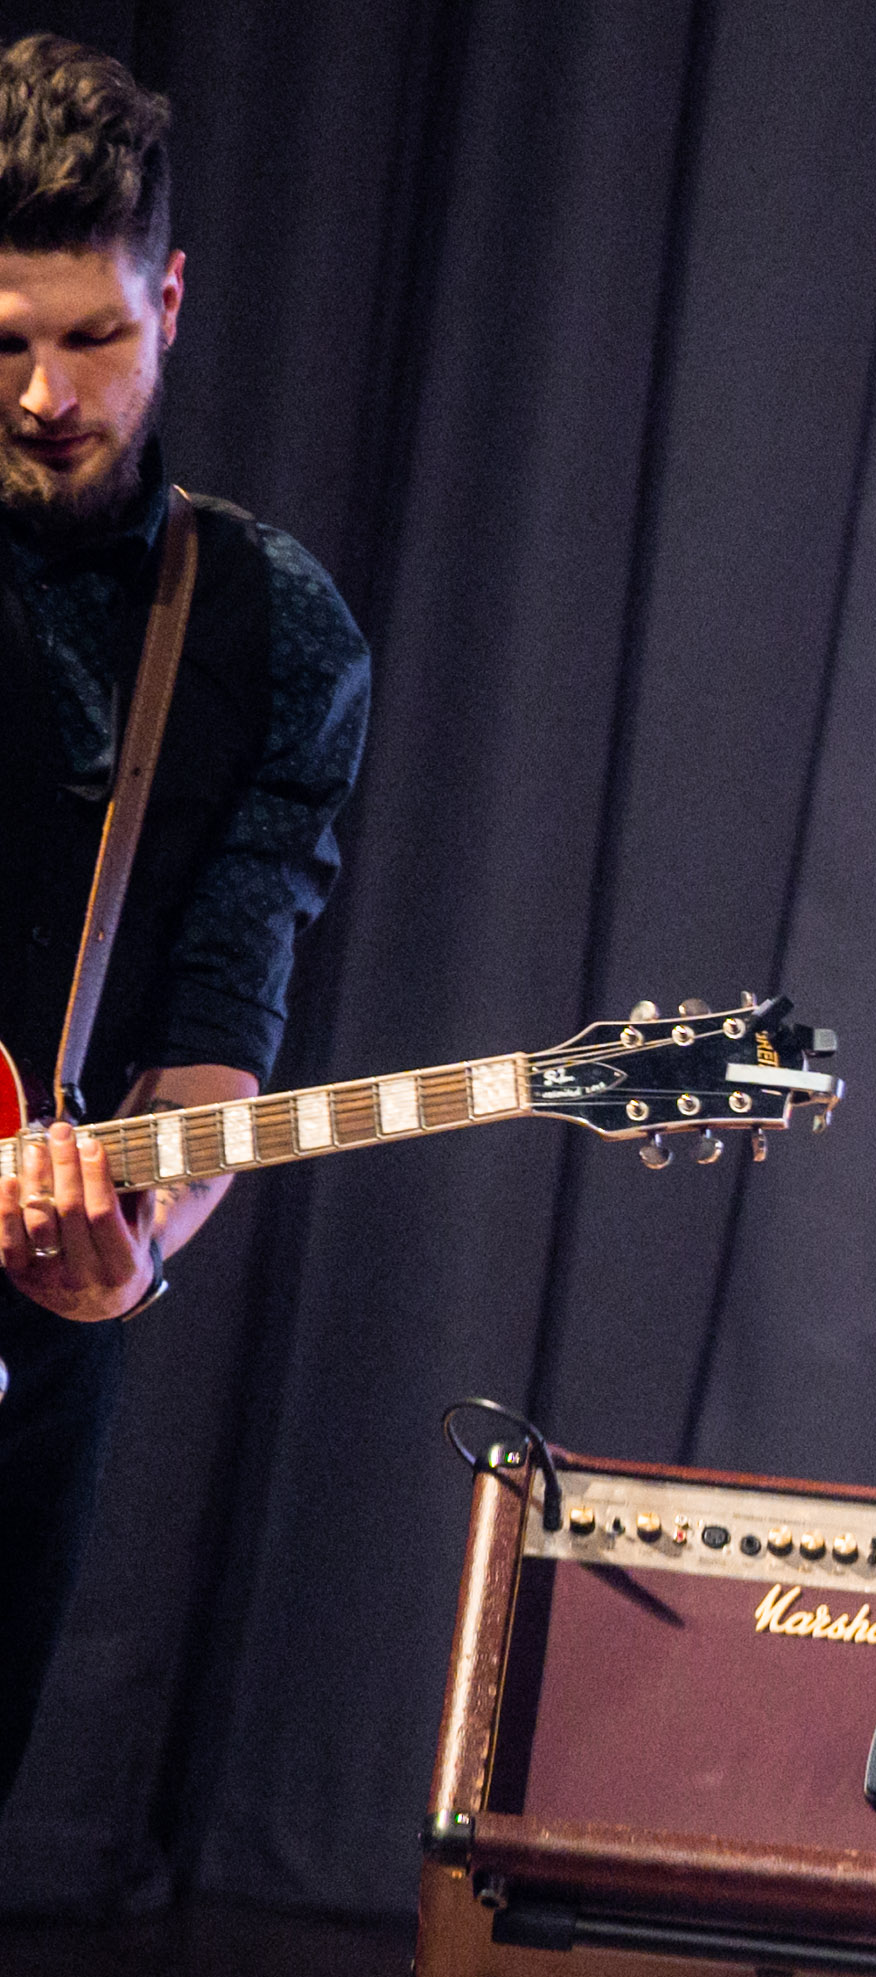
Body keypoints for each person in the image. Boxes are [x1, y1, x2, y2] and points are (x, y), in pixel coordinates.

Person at [0, 35, 368, 1809]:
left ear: (174, 299)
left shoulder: (271, 631)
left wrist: (141, 1246)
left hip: (26, 1318)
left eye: (93, 338)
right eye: (4, 342)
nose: (45, 397)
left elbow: (228, 1003)